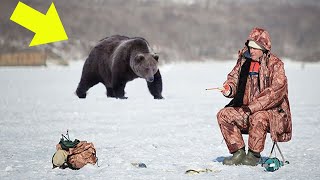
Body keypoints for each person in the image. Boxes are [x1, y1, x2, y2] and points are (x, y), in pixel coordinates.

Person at [216, 27, 292, 166]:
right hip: (247, 110)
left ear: (264, 48)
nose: (252, 51)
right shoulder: (244, 61)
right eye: (250, 47)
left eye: (256, 48)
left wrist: (253, 107)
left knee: (258, 116)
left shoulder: (275, 64)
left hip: (272, 114)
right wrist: (229, 88)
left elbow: (275, 92)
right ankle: (238, 153)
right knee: (224, 114)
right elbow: (233, 79)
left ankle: (253, 155)